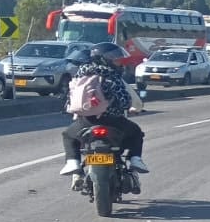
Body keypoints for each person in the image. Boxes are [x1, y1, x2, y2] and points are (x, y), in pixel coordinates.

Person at [59, 42, 148, 176]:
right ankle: (135, 160)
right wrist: (131, 108)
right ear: (104, 59)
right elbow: (124, 101)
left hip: (87, 121)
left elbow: (69, 101)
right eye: (115, 60)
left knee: (68, 135)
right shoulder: (111, 76)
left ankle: (72, 162)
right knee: (136, 133)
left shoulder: (79, 75)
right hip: (113, 121)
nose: (119, 63)